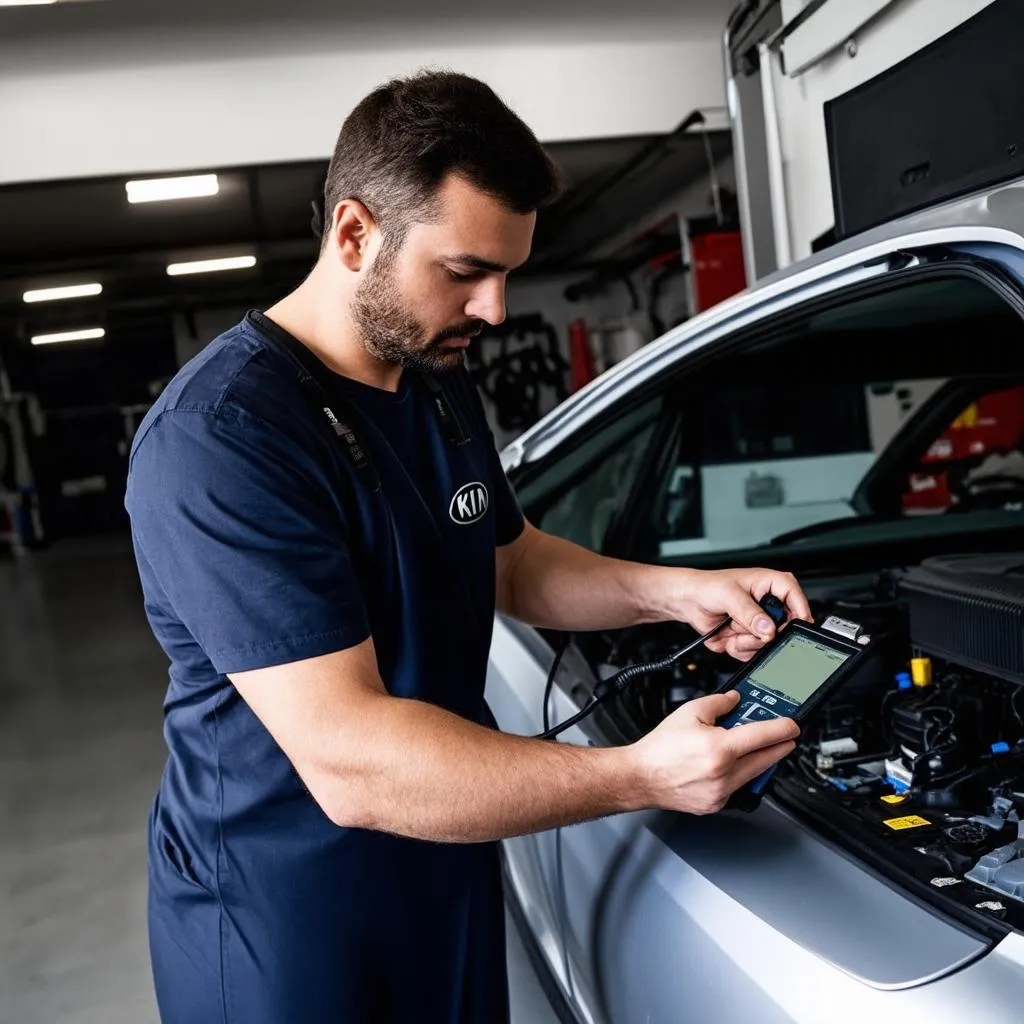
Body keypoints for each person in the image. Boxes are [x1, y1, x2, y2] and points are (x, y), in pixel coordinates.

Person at [125, 70, 809, 1024]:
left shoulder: (435, 379)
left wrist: (681, 593)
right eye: (463, 272)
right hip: (287, 912)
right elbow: (352, 758)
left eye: (507, 274)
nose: (493, 309)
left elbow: (509, 561)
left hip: (443, 854)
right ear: (355, 234)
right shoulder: (225, 437)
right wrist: (639, 777)